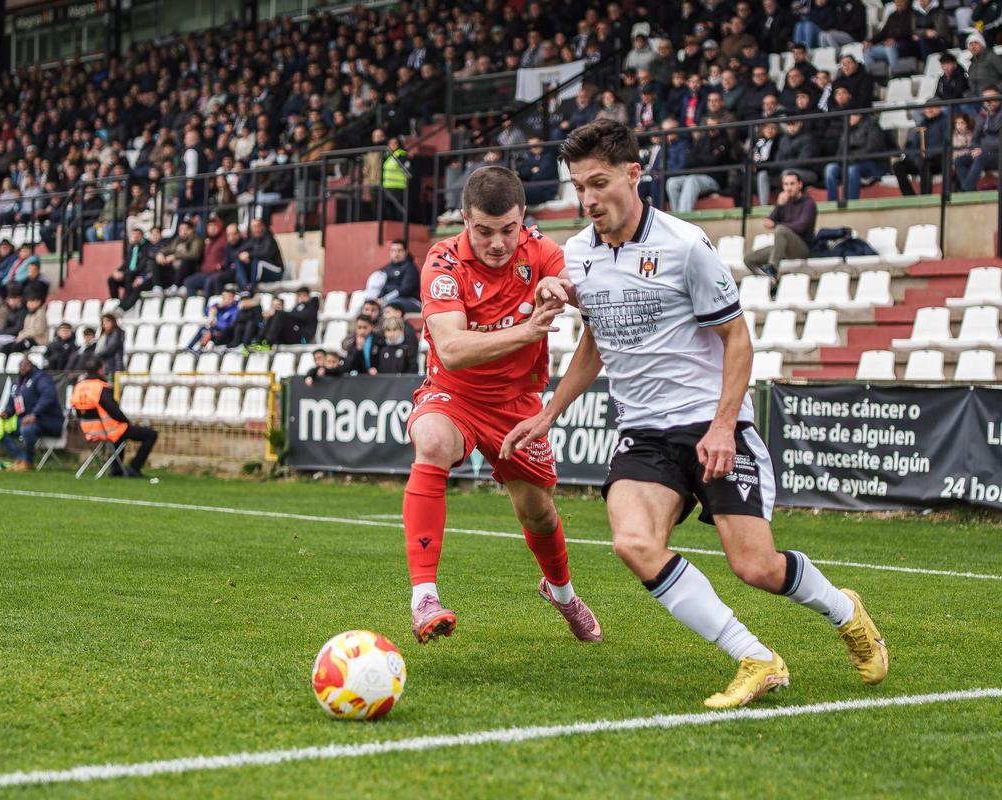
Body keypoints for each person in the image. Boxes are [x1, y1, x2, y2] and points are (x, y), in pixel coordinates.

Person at [503, 120, 887, 709]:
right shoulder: (577, 255)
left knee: (756, 567)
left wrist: (723, 426)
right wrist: (551, 410)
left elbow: (738, 341)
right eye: (579, 186)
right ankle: (756, 658)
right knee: (633, 542)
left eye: (599, 183)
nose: (588, 199)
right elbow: (599, 341)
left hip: (710, 426)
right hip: (643, 436)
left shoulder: (686, 245)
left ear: (634, 175)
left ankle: (844, 609)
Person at [404, 165, 602, 645]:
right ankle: (424, 597)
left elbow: (576, 291)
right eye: (484, 231)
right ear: (465, 221)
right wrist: (528, 331)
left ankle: (562, 594)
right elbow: (450, 348)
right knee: (430, 441)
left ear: (523, 220)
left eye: (508, 230)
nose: (497, 242)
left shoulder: (543, 252)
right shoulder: (443, 263)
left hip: (517, 404)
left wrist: (559, 288)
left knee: (538, 513)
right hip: (456, 394)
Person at [70, 356, 159, 478]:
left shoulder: (78, 386)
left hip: (87, 430)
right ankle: (134, 467)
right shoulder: (101, 387)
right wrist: (127, 421)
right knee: (150, 435)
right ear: (100, 370)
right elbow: (114, 411)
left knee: (120, 433)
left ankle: (116, 470)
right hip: (107, 429)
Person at [745, 171, 817, 279]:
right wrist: (779, 205)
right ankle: (771, 281)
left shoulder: (808, 203)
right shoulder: (784, 202)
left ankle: (773, 268)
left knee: (781, 229)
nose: (788, 188)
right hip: (782, 248)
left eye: (792, 184)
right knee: (749, 260)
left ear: (800, 185)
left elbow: (801, 226)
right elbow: (768, 222)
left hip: (802, 249)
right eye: (786, 184)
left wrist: (776, 224)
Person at [0, 357, 64, 472]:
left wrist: (34, 414)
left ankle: (28, 462)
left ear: (33, 364)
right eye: (21, 364)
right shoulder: (17, 382)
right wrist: (7, 413)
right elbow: (12, 404)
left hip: (46, 421)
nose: (23, 366)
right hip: (25, 420)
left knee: (27, 429)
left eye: (26, 364)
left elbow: (48, 397)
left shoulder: (42, 379)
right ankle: (21, 459)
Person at [824, 112, 889, 202]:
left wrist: (852, 156)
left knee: (853, 169)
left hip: (872, 164)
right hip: (849, 163)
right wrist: (842, 159)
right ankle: (831, 202)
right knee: (830, 168)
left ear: (859, 115)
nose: (849, 117)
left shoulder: (872, 126)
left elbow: (873, 148)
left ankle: (851, 203)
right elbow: (840, 153)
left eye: (852, 115)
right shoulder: (846, 129)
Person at [893, 104, 950, 196]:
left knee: (925, 163)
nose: (929, 109)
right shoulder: (921, 124)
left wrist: (925, 157)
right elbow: (912, 146)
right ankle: (910, 197)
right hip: (919, 161)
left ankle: (925, 197)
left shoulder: (945, 122)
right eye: (927, 107)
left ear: (940, 109)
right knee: (898, 165)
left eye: (933, 107)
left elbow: (946, 144)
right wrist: (913, 158)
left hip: (937, 161)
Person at [954, 86, 1002, 192]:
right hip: (984, 153)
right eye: (985, 99)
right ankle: (971, 192)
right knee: (959, 161)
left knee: (981, 157)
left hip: (998, 154)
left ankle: (965, 191)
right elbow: (975, 140)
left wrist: (983, 150)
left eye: (992, 98)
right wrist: (974, 149)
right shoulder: (983, 116)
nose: (988, 102)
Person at [364, 240, 421, 313]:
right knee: (369, 306)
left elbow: (406, 289)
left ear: (405, 252)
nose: (396, 254)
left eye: (399, 251)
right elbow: (384, 287)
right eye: (393, 251)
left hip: (411, 301)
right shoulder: (388, 268)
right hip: (389, 300)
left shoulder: (410, 268)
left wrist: (385, 299)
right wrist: (378, 299)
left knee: (391, 305)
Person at [186, 286, 241, 351]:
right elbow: (206, 312)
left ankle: (200, 349)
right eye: (223, 297)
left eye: (227, 297)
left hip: (226, 334)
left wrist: (217, 325)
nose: (224, 299)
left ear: (232, 297)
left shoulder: (235, 308)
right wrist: (217, 307)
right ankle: (189, 348)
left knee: (210, 330)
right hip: (215, 331)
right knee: (204, 329)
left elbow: (231, 325)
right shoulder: (218, 306)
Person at [236, 218, 285, 289]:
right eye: (253, 227)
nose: (256, 229)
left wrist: (249, 255)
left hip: (276, 271)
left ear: (263, 226)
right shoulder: (252, 239)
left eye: (257, 226)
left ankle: (252, 289)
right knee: (238, 261)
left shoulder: (269, 238)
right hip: (260, 270)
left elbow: (265, 253)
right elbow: (240, 250)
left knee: (257, 262)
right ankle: (245, 287)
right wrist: (241, 255)